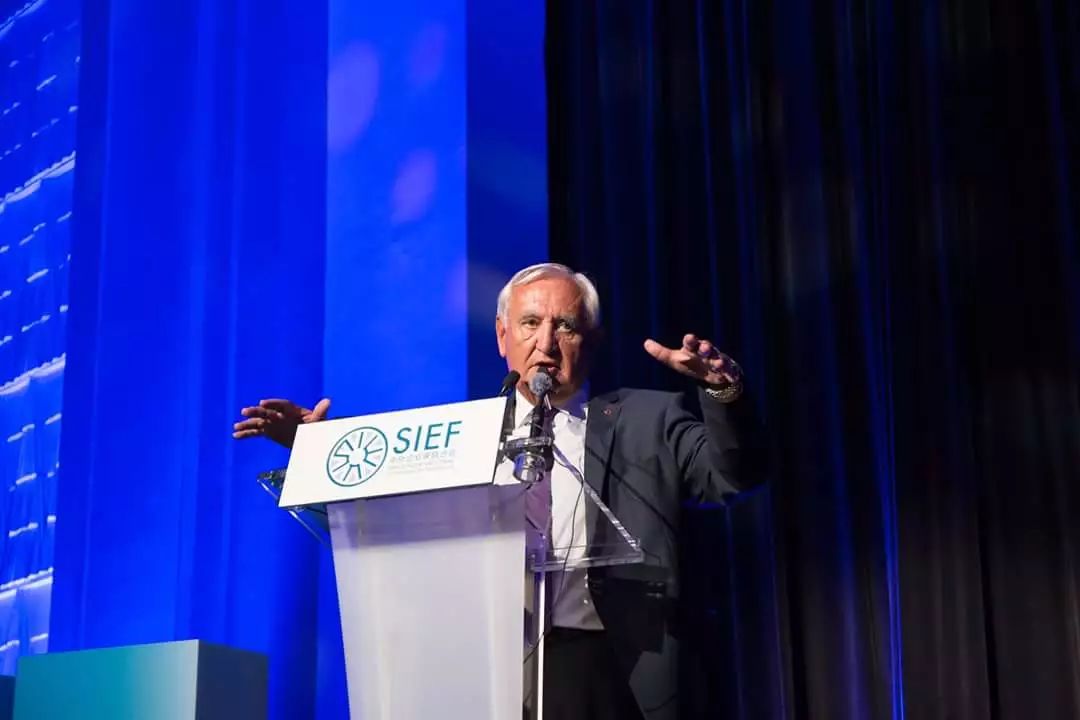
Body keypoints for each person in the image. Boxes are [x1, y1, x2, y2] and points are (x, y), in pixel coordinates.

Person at [234, 262, 764, 720]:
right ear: (501, 335)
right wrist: (319, 449)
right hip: (482, 669)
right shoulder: (462, 436)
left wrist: (722, 390)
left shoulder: (648, 419)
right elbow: (389, 512)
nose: (545, 344)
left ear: (592, 340)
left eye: (565, 326)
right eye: (530, 323)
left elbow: (734, 474)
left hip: (608, 667)